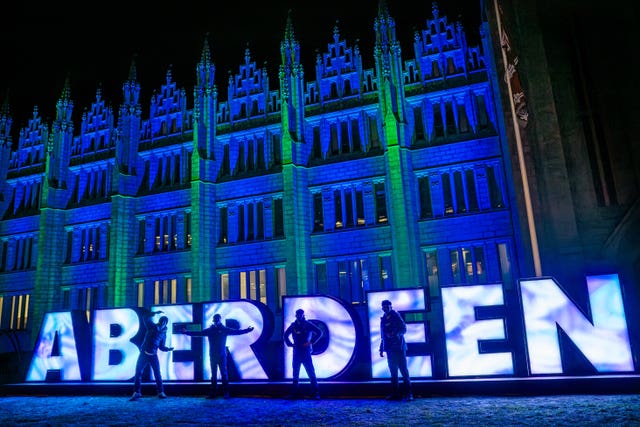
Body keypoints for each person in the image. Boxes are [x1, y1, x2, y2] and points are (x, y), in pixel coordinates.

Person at [183, 313, 254, 399]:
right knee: (214, 374)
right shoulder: (211, 330)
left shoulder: (223, 329)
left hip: (221, 355)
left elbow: (237, 332)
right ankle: (214, 393)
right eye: (215, 321)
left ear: (219, 320)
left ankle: (225, 393)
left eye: (217, 320)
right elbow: (199, 333)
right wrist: (187, 333)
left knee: (223, 374)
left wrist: (247, 330)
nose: (216, 322)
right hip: (213, 355)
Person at [130, 308, 174, 401]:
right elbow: (145, 317)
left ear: (166, 324)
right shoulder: (152, 326)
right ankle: (137, 392)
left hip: (153, 355)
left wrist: (168, 349)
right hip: (143, 354)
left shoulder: (163, 334)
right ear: (159, 321)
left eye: (164, 322)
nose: (162, 323)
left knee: (157, 374)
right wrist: (155, 313)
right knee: (138, 373)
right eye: (161, 321)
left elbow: (161, 347)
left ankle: (161, 392)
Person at [283, 308, 323, 399]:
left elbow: (319, 332)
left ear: (303, 315)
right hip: (296, 351)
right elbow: (285, 335)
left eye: (300, 314)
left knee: (311, 372)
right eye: (297, 315)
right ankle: (294, 393)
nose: (299, 316)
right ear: (296, 315)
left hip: (305, 351)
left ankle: (316, 393)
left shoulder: (308, 324)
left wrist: (311, 342)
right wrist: (289, 344)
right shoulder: (293, 325)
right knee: (295, 373)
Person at [379, 299, 413, 401]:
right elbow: (383, 336)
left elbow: (404, 328)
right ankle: (396, 394)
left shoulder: (396, 316)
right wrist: (381, 348)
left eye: (387, 306)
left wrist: (396, 334)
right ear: (382, 308)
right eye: (384, 306)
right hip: (390, 349)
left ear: (391, 306)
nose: (385, 308)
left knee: (404, 371)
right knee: (393, 373)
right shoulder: (383, 319)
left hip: (399, 348)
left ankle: (409, 394)